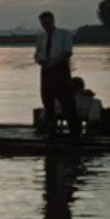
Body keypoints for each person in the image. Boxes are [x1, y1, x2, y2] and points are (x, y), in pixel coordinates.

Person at [35, 11, 81, 140]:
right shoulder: (41, 37)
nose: (45, 25)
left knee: (67, 100)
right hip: (45, 69)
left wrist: (54, 62)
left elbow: (68, 52)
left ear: (53, 21)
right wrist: (39, 60)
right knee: (47, 100)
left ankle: (75, 131)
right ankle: (51, 130)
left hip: (60, 69)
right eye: (43, 23)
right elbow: (38, 52)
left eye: (47, 22)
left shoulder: (64, 34)